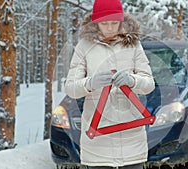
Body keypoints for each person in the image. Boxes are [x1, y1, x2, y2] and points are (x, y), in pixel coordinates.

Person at [64, 0, 155, 168]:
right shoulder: (84, 47)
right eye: (104, 23)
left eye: (114, 22)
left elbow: (149, 84)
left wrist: (132, 80)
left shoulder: (133, 45)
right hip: (97, 144)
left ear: (122, 21)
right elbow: (71, 88)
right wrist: (91, 83)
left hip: (132, 140)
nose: (110, 28)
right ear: (95, 23)